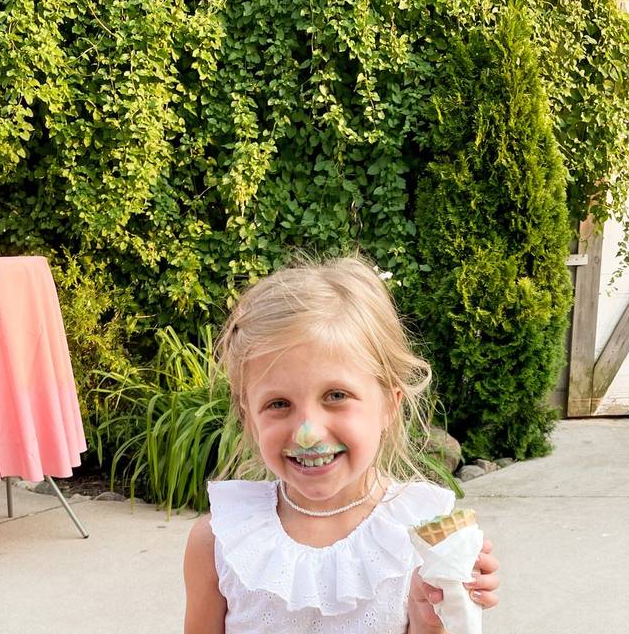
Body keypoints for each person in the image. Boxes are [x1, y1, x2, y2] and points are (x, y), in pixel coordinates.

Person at [183, 255, 500, 633]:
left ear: (388, 406)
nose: (309, 433)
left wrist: (434, 615)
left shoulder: (421, 537)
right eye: (278, 404)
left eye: (335, 395)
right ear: (249, 417)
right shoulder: (219, 542)